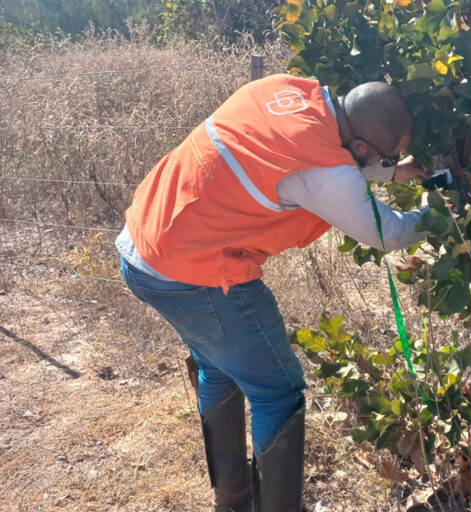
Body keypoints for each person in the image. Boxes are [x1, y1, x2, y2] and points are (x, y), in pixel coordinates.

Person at [115, 73, 430, 512]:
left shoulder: (288, 90)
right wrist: (438, 212)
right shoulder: (324, 173)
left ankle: (233, 499)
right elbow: (387, 232)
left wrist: (394, 168)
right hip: (193, 273)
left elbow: (313, 160)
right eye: (384, 156)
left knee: (220, 368)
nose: (387, 162)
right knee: (277, 393)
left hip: (144, 244)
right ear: (361, 148)